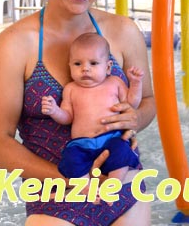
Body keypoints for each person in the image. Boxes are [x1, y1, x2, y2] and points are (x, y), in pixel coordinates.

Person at [0, 0, 155, 226]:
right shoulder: (15, 44)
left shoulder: (122, 32)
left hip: (121, 186)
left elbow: (151, 101)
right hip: (54, 195)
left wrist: (135, 118)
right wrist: (71, 180)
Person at [41, 32, 144, 188]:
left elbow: (131, 104)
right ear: (69, 66)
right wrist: (54, 110)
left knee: (122, 150)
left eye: (93, 63)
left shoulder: (114, 83)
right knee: (71, 158)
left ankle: (114, 184)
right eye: (77, 64)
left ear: (108, 67)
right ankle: (86, 188)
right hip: (82, 143)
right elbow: (67, 116)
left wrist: (136, 84)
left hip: (111, 138)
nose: (85, 69)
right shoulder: (71, 89)